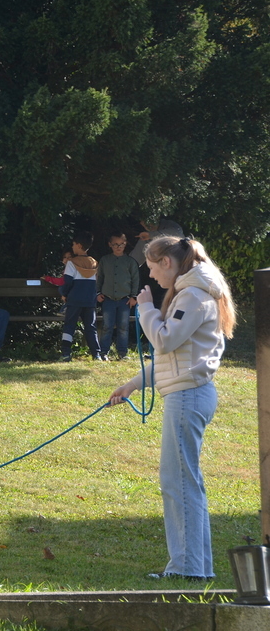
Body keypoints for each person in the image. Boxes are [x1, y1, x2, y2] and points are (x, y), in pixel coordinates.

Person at [108, 236, 235, 581]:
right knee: (182, 481)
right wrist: (132, 385)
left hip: (187, 397)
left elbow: (164, 340)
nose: (150, 275)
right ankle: (196, 568)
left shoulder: (193, 295)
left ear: (167, 262)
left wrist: (145, 309)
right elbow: (174, 355)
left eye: (152, 267)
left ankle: (187, 569)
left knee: (178, 482)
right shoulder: (193, 293)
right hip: (189, 394)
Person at [96, 231, 139, 360]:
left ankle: (122, 352)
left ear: (125, 244)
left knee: (123, 327)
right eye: (115, 244)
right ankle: (103, 352)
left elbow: (135, 279)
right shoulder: (105, 260)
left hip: (125, 299)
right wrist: (98, 293)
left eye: (121, 244)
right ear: (110, 244)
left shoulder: (130, 262)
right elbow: (99, 277)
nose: (118, 247)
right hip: (108, 298)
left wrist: (134, 296)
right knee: (107, 326)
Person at [59, 231, 101, 362]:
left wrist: (64, 294)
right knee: (91, 327)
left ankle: (66, 353)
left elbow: (67, 282)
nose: (72, 247)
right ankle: (96, 354)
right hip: (89, 301)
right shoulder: (94, 263)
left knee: (69, 326)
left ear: (78, 245)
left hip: (75, 300)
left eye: (73, 244)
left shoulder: (72, 263)